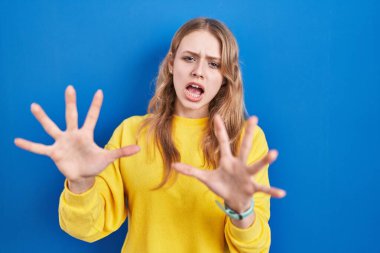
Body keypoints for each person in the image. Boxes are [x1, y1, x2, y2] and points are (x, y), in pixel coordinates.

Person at [14, 17, 286, 253]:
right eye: (189, 58)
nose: (198, 71)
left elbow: (255, 249)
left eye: (214, 64)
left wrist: (241, 209)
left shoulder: (244, 140)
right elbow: (85, 228)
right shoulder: (132, 133)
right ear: (171, 64)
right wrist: (81, 182)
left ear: (227, 76)